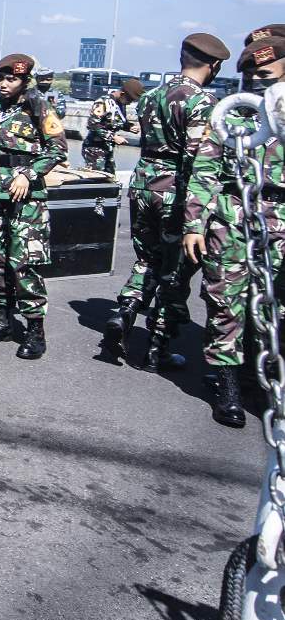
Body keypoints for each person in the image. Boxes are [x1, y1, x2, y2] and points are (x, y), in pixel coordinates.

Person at [182, 27, 285, 428]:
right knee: (226, 302)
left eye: (269, 73)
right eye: (254, 75)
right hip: (233, 216)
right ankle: (228, 389)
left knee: (274, 305)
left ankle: (258, 378)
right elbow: (204, 169)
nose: (259, 81)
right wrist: (194, 223)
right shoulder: (231, 113)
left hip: (280, 217)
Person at [107, 33, 229, 369]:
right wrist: (197, 214)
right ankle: (155, 350)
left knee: (146, 258)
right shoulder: (202, 102)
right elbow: (198, 159)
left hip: (144, 183)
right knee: (173, 271)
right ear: (214, 65)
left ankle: (124, 312)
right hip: (176, 190)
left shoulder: (150, 97)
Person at [0, 54, 68, 360]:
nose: (4, 83)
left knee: (23, 263)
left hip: (26, 197)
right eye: (1, 78)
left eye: (12, 79)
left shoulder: (39, 106)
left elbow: (57, 149)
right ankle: (2, 322)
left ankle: (35, 330)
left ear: (25, 81)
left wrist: (30, 174)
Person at [82, 79, 141, 173]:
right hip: (94, 149)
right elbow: (92, 124)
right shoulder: (103, 102)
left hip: (107, 148)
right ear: (122, 93)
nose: (130, 103)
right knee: (97, 178)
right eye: (130, 99)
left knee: (110, 177)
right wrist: (113, 137)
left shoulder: (121, 104)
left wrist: (129, 127)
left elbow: (116, 122)